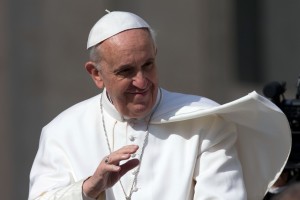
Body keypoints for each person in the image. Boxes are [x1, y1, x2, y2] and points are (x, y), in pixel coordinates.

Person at [28, 11, 291, 200]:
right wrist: (88, 189)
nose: (141, 82)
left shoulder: (206, 122)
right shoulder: (61, 132)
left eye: (148, 65)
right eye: (126, 71)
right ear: (96, 74)